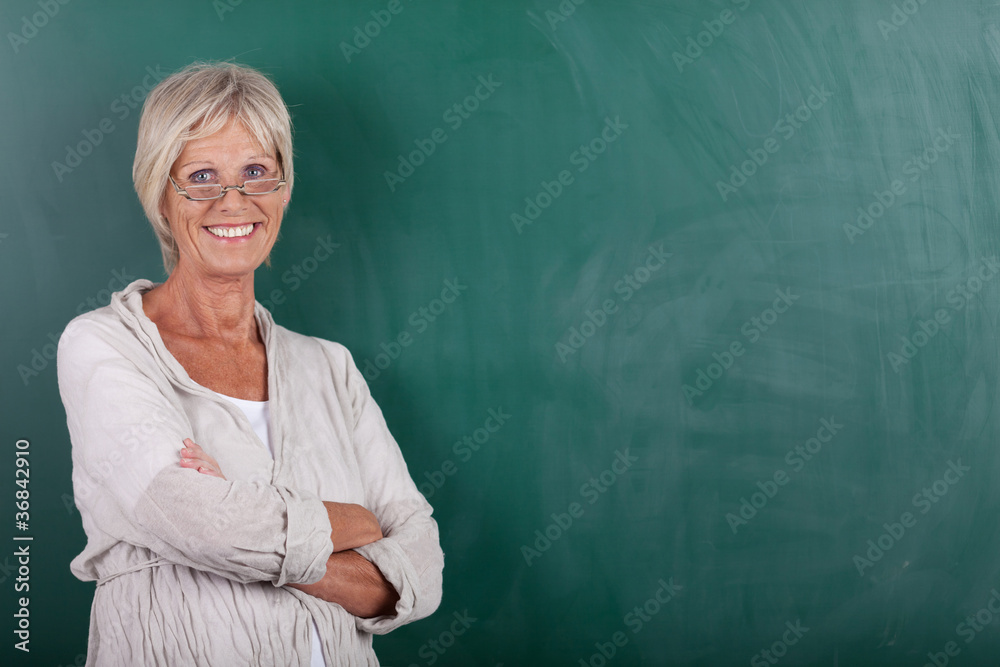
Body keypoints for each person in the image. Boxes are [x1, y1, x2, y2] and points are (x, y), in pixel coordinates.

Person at [56, 61, 444, 666]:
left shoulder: (329, 368)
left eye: (257, 172)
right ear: (161, 193)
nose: (233, 201)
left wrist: (249, 527)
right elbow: (194, 521)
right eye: (202, 175)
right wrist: (357, 524)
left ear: (284, 188)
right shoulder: (103, 345)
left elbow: (420, 575)